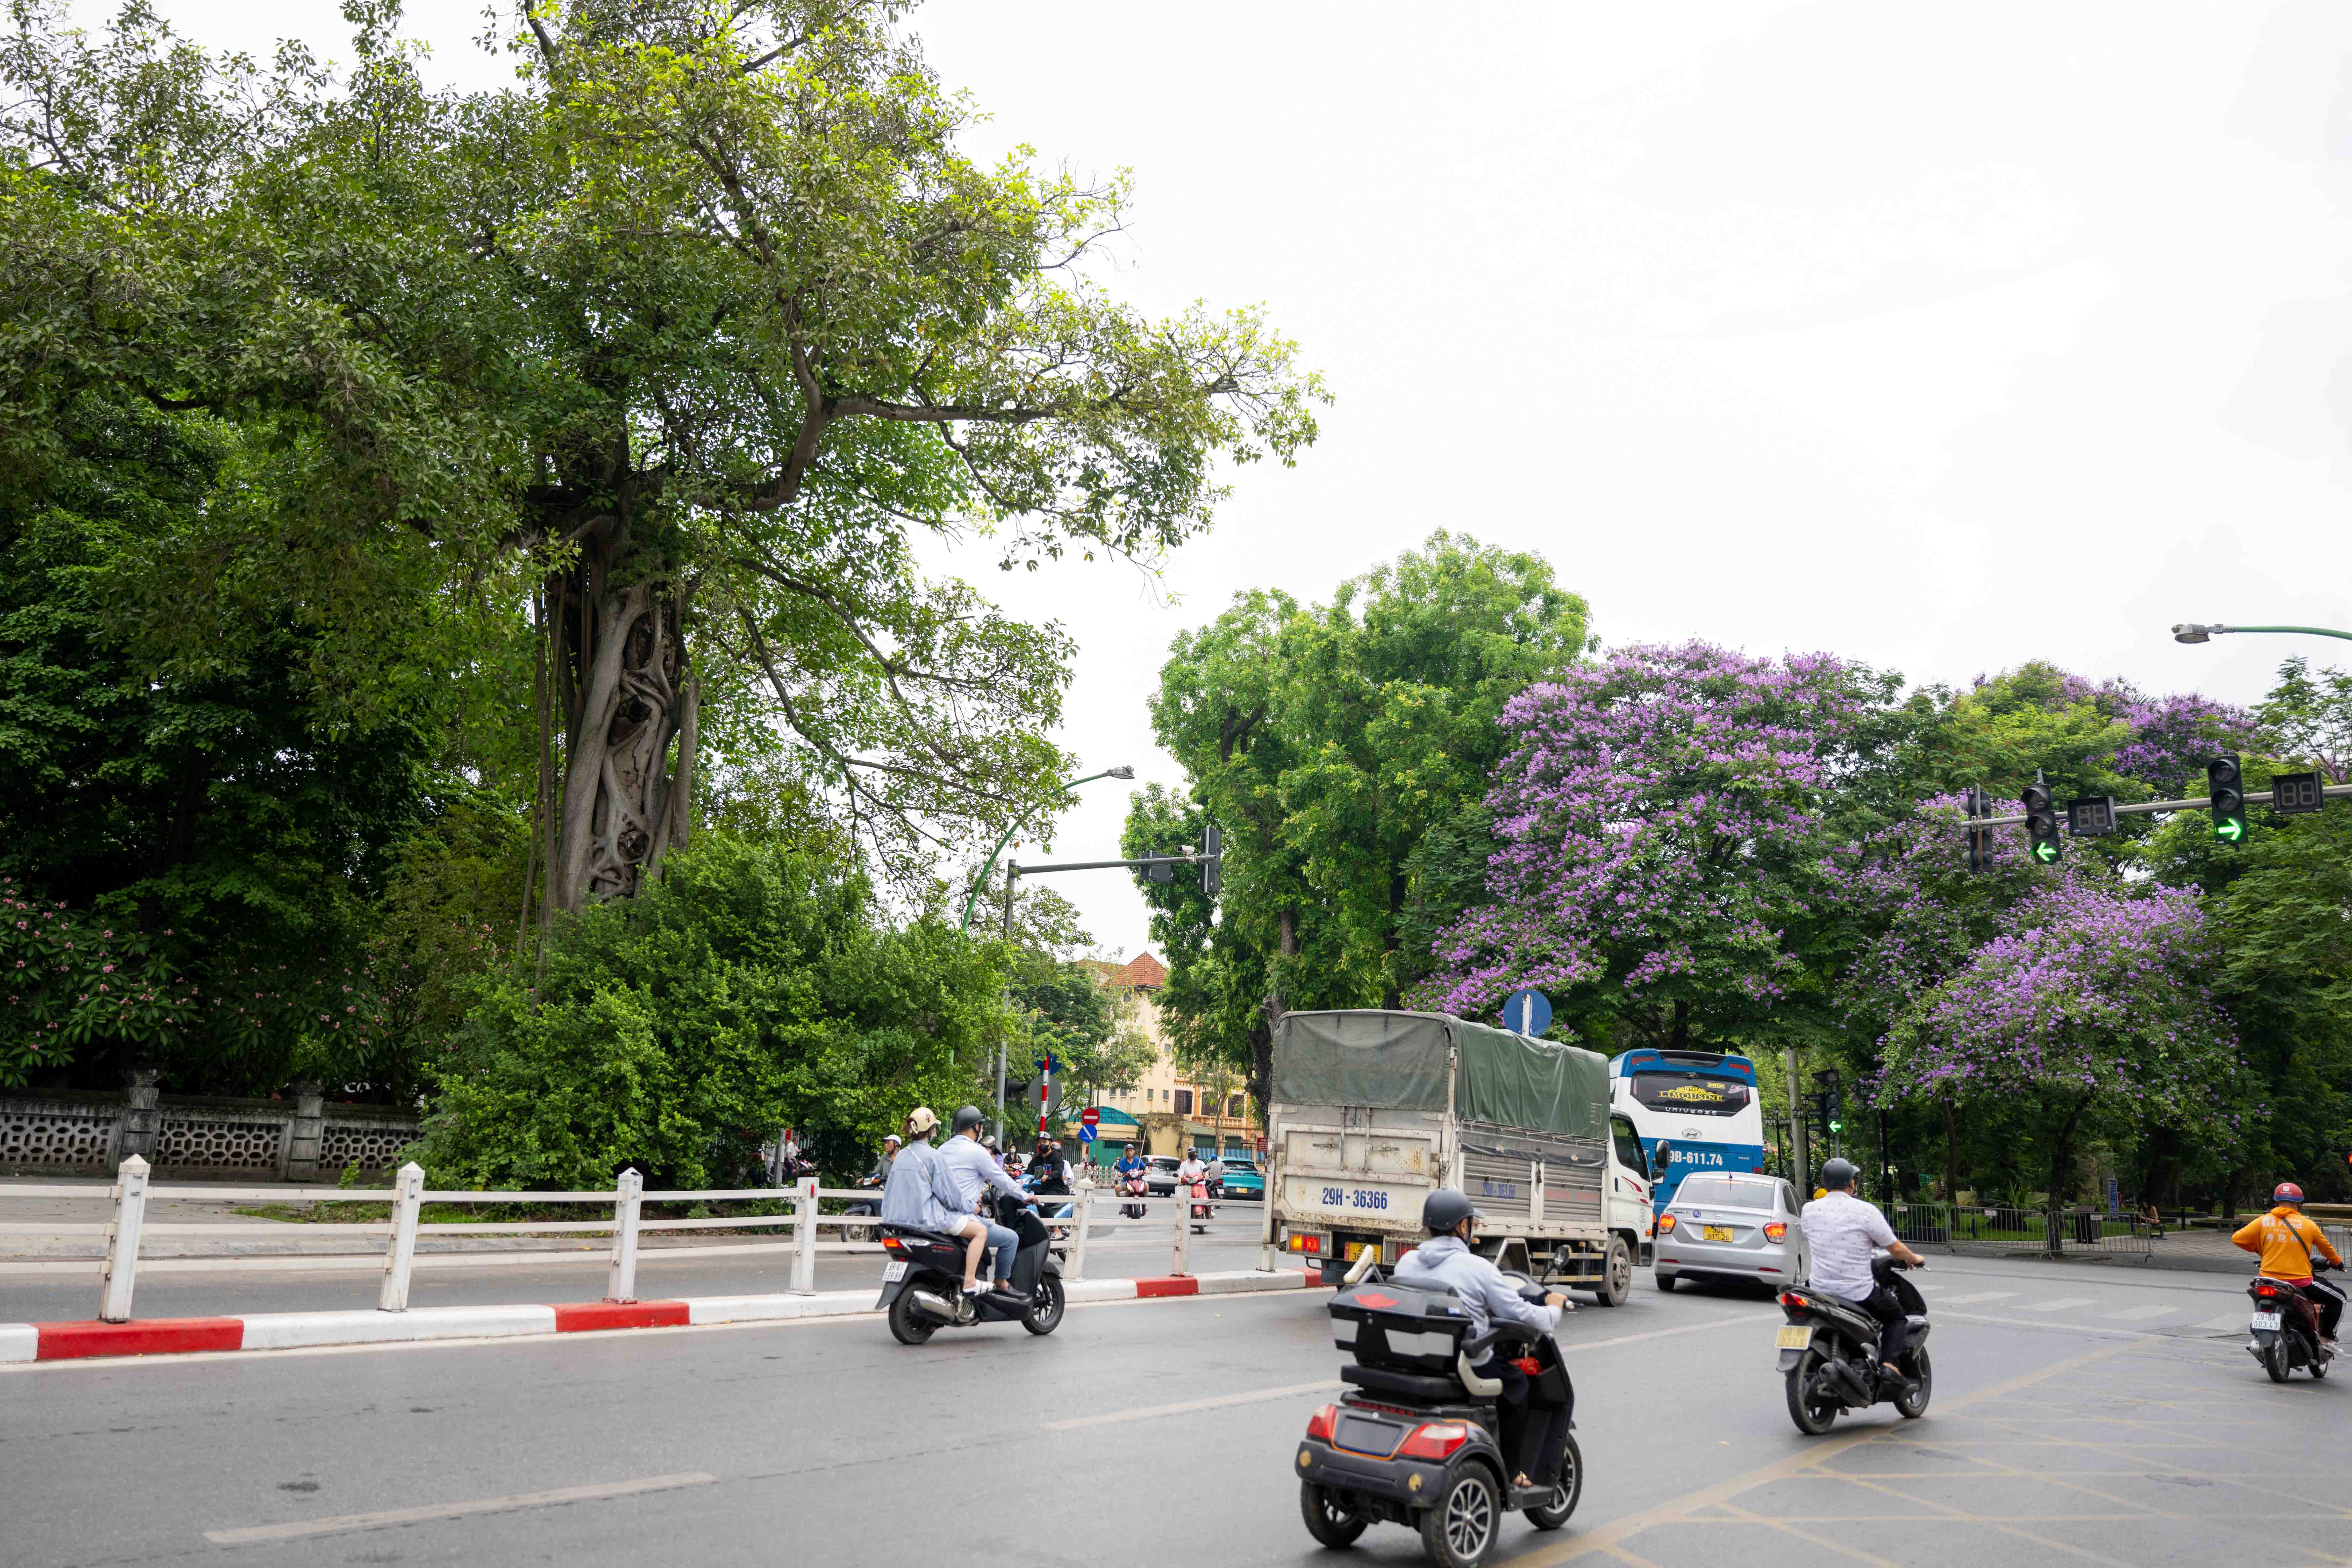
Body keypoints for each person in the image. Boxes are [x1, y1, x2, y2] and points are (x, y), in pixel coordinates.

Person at [1392, 1189, 1573, 1494]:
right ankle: (1513, 1471)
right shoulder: (1480, 1269)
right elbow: (1523, 1314)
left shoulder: (1406, 1262)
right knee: (1517, 1385)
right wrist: (1553, 1308)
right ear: (1463, 1227)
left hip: (1417, 1360)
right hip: (1464, 1364)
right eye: (1470, 1223)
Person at [1798, 1157, 1927, 1383]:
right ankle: (1889, 1364)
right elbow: (1895, 1247)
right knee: (1896, 1316)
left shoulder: (1809, 1210)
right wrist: (1914, 1258)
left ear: (1825, 1183)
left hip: (1820, 1290)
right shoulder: (1865, 1211)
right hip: (1857, 1292)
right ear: (1851, 1183)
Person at [878, 1107, 993, 1315]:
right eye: (933, 1128)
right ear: (930, 1130)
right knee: (980, 1232)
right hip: (928, 1220)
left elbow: (889, 1192)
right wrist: (971, 1206)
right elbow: (950, 1196)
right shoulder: (933, 1156)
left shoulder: (901, 1156)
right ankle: (969, 1282)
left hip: (896, 1222)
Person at [937, 1105, 1031, 1303]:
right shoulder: (977, 1152)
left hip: (938, 1215)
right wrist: (1025, 1196)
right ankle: (1001, 1283)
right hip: (961, 1217)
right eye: (981, 1126)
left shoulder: (942, 1149)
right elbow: (1001, 1179)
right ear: (977, 1128)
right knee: (1011, 1239)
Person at [2233, 1182, 2343, 1348]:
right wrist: (2338, 1263)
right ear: (2299, 1204)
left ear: (2277, 1202)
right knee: (2339, 1298)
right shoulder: (2308, 1225)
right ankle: (2327, 1339)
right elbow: (2327, 1250)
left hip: (2267, 1280)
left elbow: (2237, 1239)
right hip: (2300, 1283)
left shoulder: (2263, 1221)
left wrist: (2259, 1250)